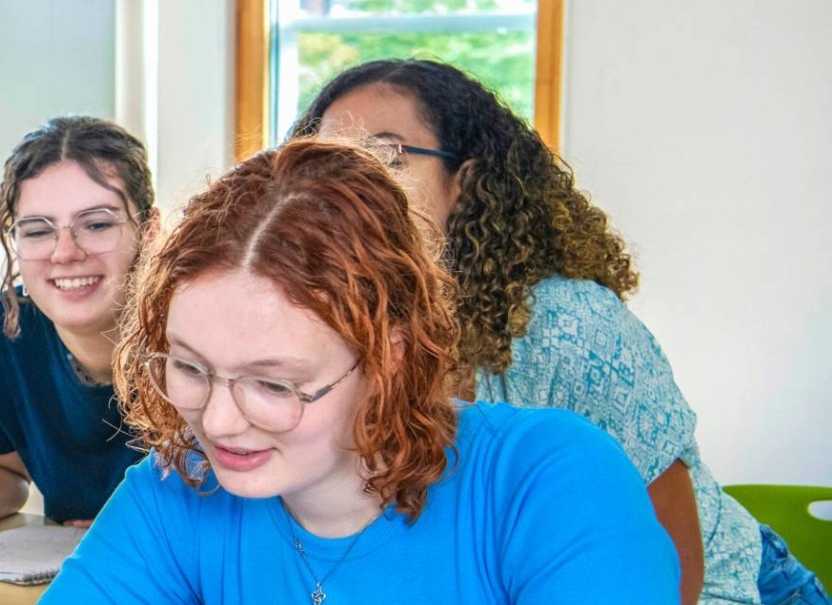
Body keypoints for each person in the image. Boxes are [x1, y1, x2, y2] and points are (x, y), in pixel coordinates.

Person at [44, 137, 680, 603]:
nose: (216, 421)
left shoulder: (548, 480)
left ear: (389, 356)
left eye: (273, 384)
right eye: (189, 367)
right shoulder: (176, 493)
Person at [294, 58, 829, 605]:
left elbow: (673, 566)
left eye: (387, 156)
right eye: (328, 162)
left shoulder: (567, 325)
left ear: (466, 182)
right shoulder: (320, 329)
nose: (352, 187)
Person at [0, 116, 155, 547]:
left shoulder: (202, 338)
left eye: (97, 224)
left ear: (149, 232)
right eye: (38, 230)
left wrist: (140, 535)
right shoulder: (1, 334)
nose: (65, 252)